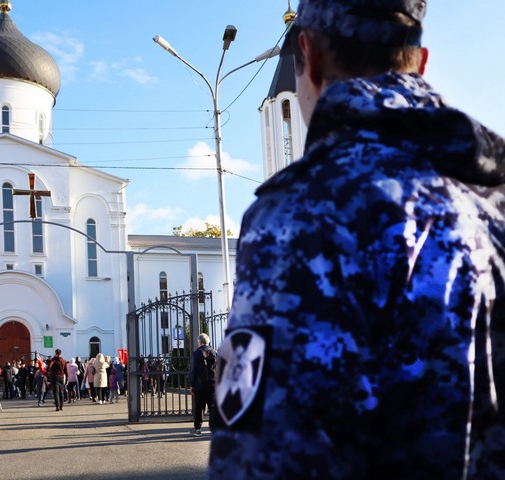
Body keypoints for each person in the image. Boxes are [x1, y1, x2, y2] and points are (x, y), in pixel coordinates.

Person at [208, 1, 505, 478]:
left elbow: (264, 458)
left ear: (310, 55)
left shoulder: (300, 213)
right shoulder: (493, 196)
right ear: (420, 62)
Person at [187, 334, 216, 437]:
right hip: (213, 385)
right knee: (213, 407)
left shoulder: (196, 354)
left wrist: (191, 384)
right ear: (208, 342)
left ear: (199, 342)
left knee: (199, 407)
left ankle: (198, 429)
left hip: (199, 386)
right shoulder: (214, 353)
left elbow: (193, 371)